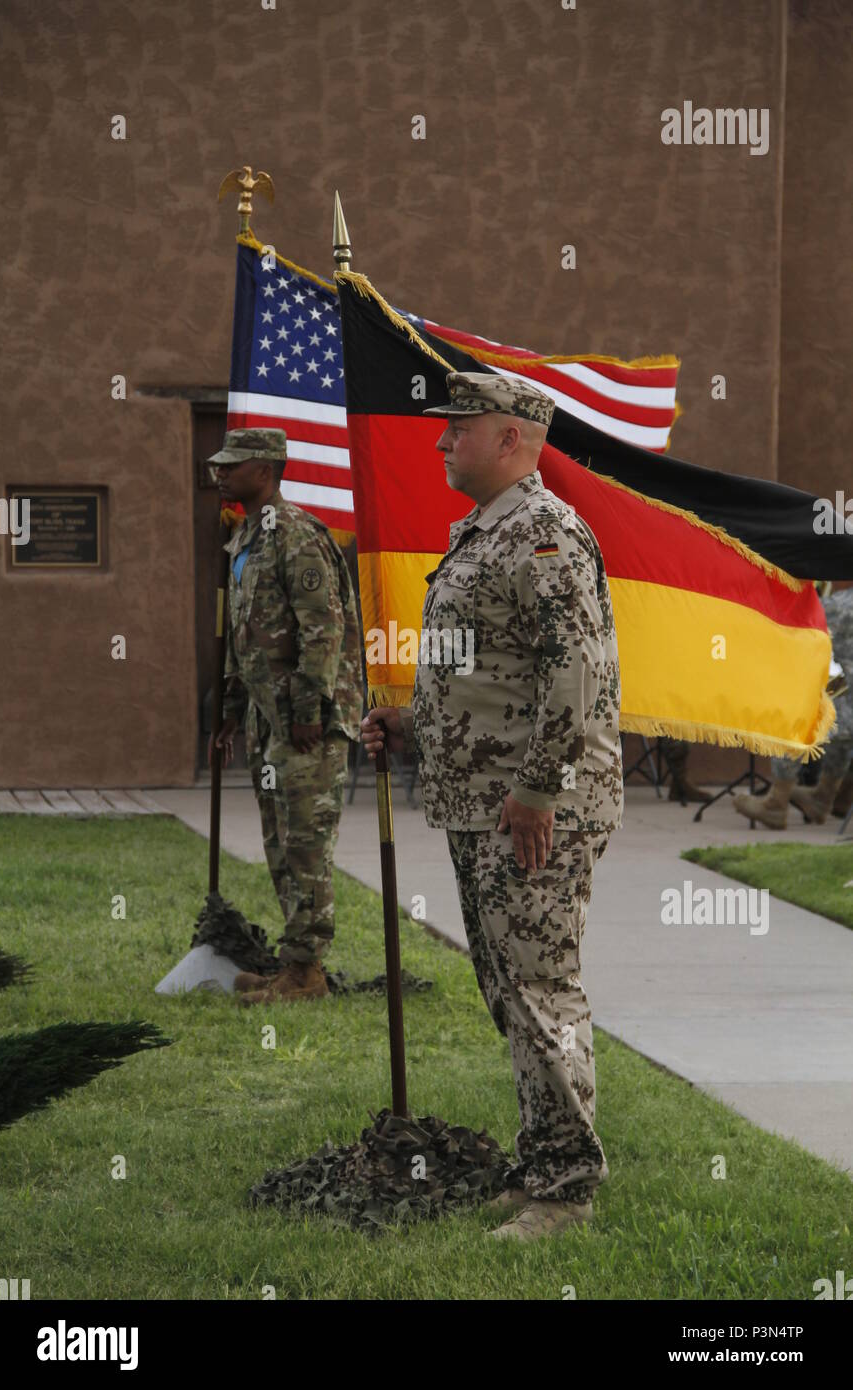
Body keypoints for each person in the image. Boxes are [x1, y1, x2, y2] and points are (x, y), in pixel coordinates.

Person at [361, 371, 623, 1241]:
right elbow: (488, 673)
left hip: (536, 806)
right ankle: (543, 1159)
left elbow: (572, 676)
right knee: (511, 989)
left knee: (542, 988)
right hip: (485, 799)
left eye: (456, 429)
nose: (440, 442)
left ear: (510, 438)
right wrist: (410, 723)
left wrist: (539, 790)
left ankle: (567, 1191)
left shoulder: (544, 535)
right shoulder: (483, 533)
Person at [208, 428, 362, 1001]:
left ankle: (306, 973)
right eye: (219, 465)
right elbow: (242, 636)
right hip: (265, 719)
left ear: (266, 470)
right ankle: (295, 966)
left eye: (233, 465)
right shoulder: (246, 536)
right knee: (279, 842)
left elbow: (324, 627)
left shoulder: (296, 535)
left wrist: (305, 710)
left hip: (306, 724)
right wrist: (227, 711)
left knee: (306, 846)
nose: (220, 473)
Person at [733, 580, 853, 830]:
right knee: (839, 713)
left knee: (792, 715)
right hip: (846, 713)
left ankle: (776, 804)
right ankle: (823, 798)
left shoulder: (841, 607)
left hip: (844, 714)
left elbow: (802, 628)